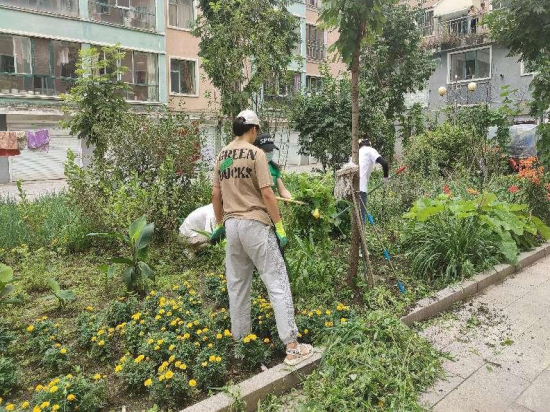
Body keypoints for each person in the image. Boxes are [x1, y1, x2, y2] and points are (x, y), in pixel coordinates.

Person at [210, 109, 313, 366]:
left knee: (237, 286)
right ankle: (292, 347)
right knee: (277, 281)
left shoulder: (222, 155)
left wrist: (220, 223)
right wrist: (279, 226)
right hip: (255, 224)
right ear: (254, 130)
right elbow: (267, 194)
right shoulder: (256, 154)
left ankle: (241, 347)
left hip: (232, 227)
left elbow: (216, 195)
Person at [358, 135, 389, 223]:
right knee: (361, 218)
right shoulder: (370, 150)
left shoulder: (356, 153)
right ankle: (361, 232)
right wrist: (385, 177)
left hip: (351, 188)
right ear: (369, 145)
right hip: (361, 188)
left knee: (356, 217)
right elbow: (385, 163)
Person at [254, 133, 292, 199]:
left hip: (269, 202)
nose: (269, 152)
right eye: (267, 150)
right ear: (256, 149)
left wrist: (292, 199)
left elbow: (282, 191)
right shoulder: (250, 166)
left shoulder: (274, 168)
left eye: (271, 150)